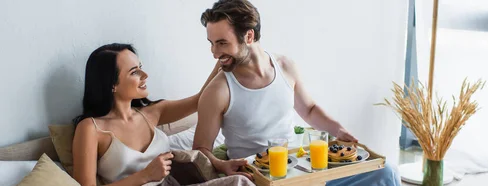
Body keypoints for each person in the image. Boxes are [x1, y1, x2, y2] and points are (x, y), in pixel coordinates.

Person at [192, 1, 401, 185]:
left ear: (248, 36)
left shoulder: (285, 66)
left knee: (386, 172)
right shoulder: (218, 91)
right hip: (262, 177)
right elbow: (201, 148)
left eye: (222, 43)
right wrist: (221, 165)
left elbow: (309, 110)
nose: (214, 52)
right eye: (211, 43)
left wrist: (338, 131)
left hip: (303, 169)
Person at [71, 43, 253, 186]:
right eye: (134, 72)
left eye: (140, 67)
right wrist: (145, 176)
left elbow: (200, 100)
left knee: (240, 182)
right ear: (112, 84)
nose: (145, 75)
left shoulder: (152, 113)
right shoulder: (91, 128)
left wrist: (223, 59)